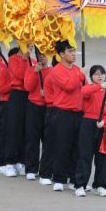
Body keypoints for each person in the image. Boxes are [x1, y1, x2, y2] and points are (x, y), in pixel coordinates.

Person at [74, 65, 106, 197]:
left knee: (102, 157)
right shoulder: (89, 88)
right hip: (88, 124)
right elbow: (84, 92)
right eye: (97, 74)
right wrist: (101, 86)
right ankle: (80, 184)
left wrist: (105, 121)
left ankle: (100, 185)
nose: (100, 76)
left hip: (102, 125)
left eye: (102, 74)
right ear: (91, 76)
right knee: (84, 155)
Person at [50, 40, 85, 192]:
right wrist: (80, 74)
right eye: (70, 51)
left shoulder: (77, 69)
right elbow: (69, 86)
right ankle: (59, 178)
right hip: (63, 113)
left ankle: (73, 178)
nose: (73, 54)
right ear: (62, 54)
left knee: (76, 147)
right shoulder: (56, 70)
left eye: (74, 50)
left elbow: (84, 89)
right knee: (62, 146)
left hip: (78, 113)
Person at [4, 47, 33, 177]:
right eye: (28, 46)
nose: (30, 48)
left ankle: (22, 160)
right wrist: (24, 59)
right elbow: (20, 75)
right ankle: (10, 162)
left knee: (26, 129)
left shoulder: (32, 60)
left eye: (31, 46)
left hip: (29, 95)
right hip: (16, 94)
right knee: (14, 128)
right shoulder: (14, 59)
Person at [23, 52, 52, 181]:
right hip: (33, 105)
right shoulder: (31, 69)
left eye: (44, 54)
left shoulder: (53, 71)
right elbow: (28, 87)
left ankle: (46, 169)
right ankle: (31, 168)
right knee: (32, 138)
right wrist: (35, 72)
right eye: (39, 54)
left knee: (48, 140)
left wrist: (48, 93)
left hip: (48, 107)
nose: (42, 56)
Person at [0, 48, 16, 174]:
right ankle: (0, 160)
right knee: (5, 132)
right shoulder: (4, 71)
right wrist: (12, 85)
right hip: (6, 103)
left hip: (16, 104)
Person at [38, 56, 58, 185]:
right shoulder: (53, 75)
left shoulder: (75, 72)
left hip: (68, 112)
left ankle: (60, 172)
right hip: (54, 110)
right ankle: (45, 173)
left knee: (63, 145)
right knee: (50, 143)